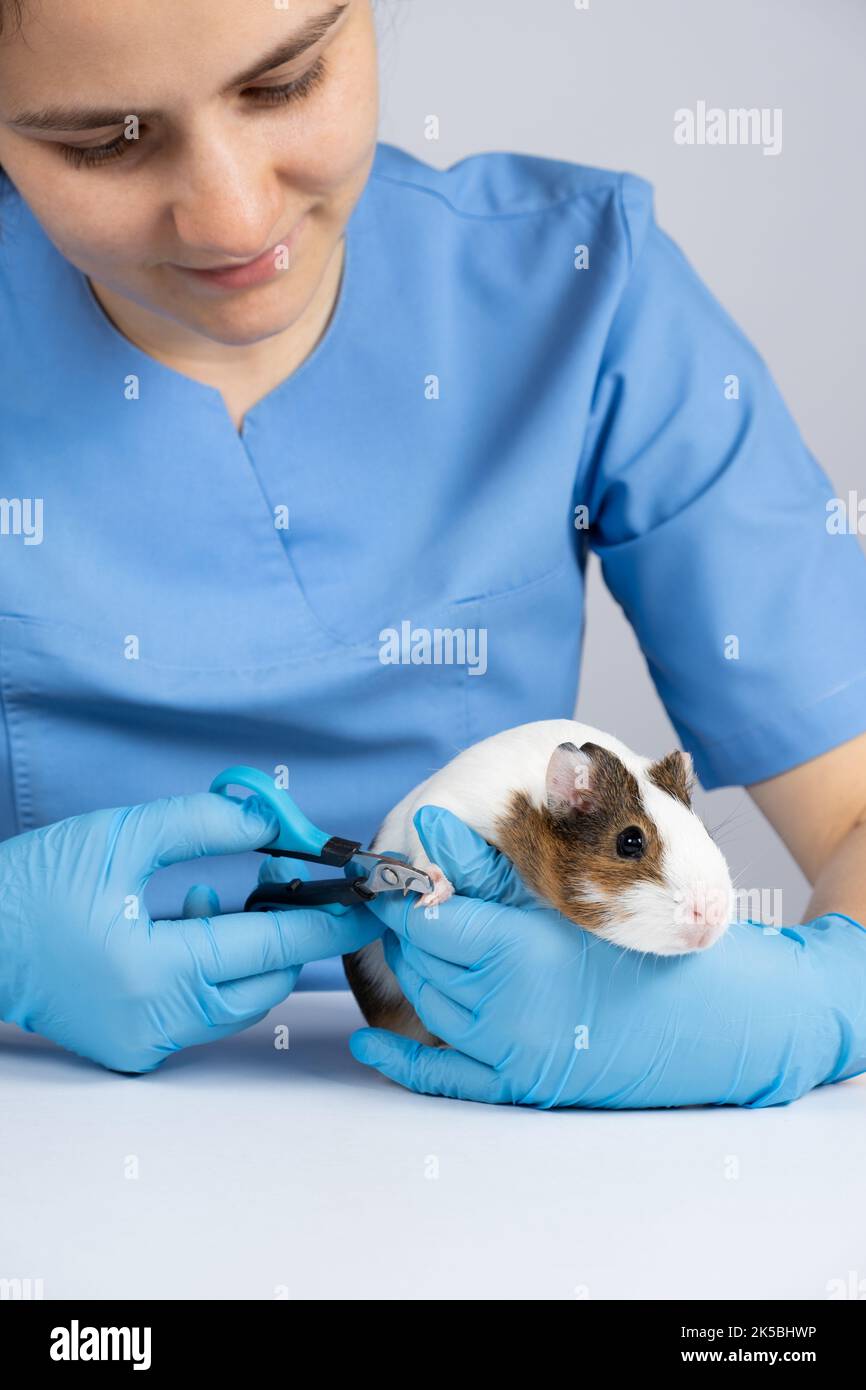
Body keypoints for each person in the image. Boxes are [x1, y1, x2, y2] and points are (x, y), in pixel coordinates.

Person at [1, 0, 864, 1102]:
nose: (228, 217)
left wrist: (824, 999)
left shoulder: (585, 288)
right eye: (102, 139)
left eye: (284, 82)